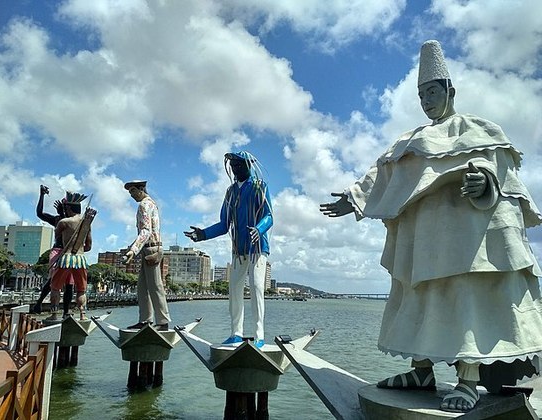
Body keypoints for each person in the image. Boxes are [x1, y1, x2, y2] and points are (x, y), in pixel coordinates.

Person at [320, 40, 542, 413]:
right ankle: (420, 371)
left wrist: (485, 183)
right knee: (418, 296)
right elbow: (385, 172)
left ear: (450, 90)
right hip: (423, 239)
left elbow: (498, 171)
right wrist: (354, 198)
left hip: (466, 238)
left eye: (432, 91)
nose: (426, 101)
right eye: (421, 94)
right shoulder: (412, 140)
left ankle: (468, 378)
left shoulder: (477, 129)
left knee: (466, 300)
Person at [184, 151, 273, 348]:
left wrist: (259, 229)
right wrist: (203, 234)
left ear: (249, 166)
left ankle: (259, 335)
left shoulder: (260, 187)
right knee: (234, 290)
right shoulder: (231, 192)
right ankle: (236, 333)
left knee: (257, 287)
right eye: (233, 167)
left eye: (239, 166)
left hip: (257, 247)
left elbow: (269, 216)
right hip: (238, 250)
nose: (235, 170)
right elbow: (225, 224)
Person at [123, 180, 171, 331]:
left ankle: (163, 321)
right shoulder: (152, 204)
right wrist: (135, 248)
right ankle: (145, 320)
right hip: (150, 248)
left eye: (133, 192)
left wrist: (133, 249)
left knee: (155, 286)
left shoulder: (144, 205)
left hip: (150, 248)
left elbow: (145, 231)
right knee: (143, 287)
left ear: (141, 189)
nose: (132, 196)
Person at [49, 192, 95, 321]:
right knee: (81, 289)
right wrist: (79, 249)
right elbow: (89, 246)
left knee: (55, 287)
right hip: (80, 259)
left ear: (68, 209)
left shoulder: (64, 222)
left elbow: (57, 237)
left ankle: (54, 315)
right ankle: (82, 315)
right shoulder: (87, 223)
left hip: (66, 258)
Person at [31, 185, 73, 316]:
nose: (64, 209)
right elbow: (39, 213)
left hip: (70, 253)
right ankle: (41, 304)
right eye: (63, 206)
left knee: (69, 284)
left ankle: (65, 312)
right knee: (53, 280)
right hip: (58, 251)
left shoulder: (72, 220)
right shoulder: (57, 219)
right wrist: (42, 195)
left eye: (66, 207)